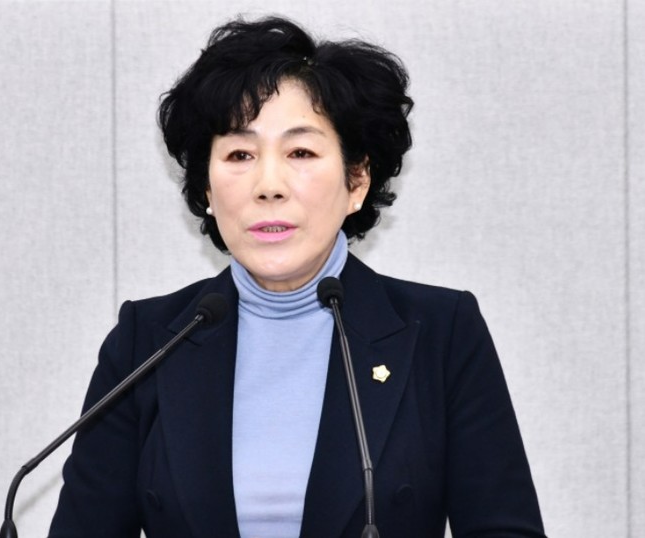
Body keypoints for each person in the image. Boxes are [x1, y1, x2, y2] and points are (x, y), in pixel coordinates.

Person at [48, 15, 546, 538]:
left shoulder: (441, 333)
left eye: (301, 152)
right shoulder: (147, 342)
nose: (269, 185)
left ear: (357, 180)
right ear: (207, 189)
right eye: (240, 154)